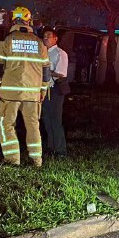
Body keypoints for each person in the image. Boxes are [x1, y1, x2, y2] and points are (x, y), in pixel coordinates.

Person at [0, 6, 51, 167]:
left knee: (7, 125)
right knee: (33, 126)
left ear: (13, 21)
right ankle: (36, 161)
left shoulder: (5, 42)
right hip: (32, 95)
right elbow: (46, 71)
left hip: (9, 94)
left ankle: (12, 161)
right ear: (28, 21)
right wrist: (43, 90)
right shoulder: (40, 44)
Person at [41, 27, 70, 157]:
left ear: (55, 38)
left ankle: (60, 150)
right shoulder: (42, 52)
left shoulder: (60, 53)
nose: (45, 38)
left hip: (55, 90)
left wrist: (46, 71)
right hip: (44, 90)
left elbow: (61, 74)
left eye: (48, 35)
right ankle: (51, 147)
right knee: (47, 119)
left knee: (55, 120)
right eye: (44, 36)